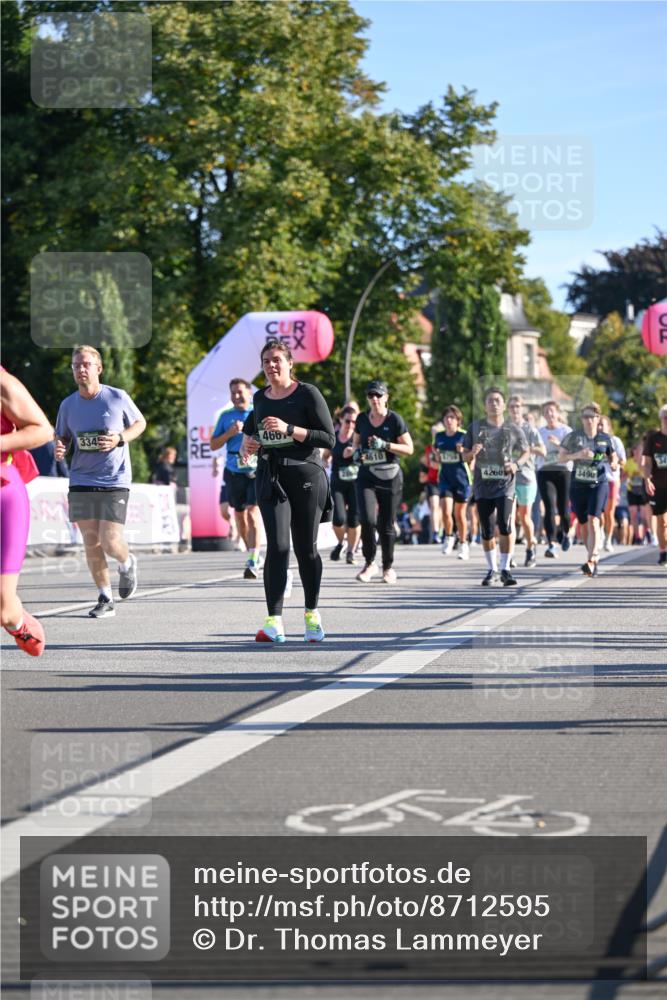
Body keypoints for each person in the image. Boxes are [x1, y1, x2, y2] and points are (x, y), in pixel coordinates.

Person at [240, 339, 335, 643]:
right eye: (266, 361)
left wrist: (289, 429)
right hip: (272, 476)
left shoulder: (308, 394)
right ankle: (274, 622)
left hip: (306, 474)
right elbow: (252, 430)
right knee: (278, 547)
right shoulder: (260, 398)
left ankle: (311, 614)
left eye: (277, 360)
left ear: (290, 363)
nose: (271, 366)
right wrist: (248, 445)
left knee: (305, 549)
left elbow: (328, 438)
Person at [54, 345, 146, 618]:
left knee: (110, 541)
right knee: (91, 541)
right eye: (76, 365)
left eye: (85, 364)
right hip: (81, 477)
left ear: (98, 368)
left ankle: (127, 561)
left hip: (114, 478)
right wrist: (60, 446)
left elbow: (140, 423)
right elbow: (63, 436)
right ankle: (105, 597)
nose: (80, 369)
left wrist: (120, 438)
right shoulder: (68, 404)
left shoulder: (117, 397)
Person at [1, 368, 53, 655]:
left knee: (5, 612)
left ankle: (17, 622)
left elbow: (42, 429)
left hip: (4, 493)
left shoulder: (2, 382)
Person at [463, 387, 529, 587]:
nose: (494, 404)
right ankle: (492, 569)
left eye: (497, 400)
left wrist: (516, 465)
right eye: (490, 400)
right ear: (485, 405)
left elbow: (526, 452)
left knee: (506, 525)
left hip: (505, 485)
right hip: (483, 486)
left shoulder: (513, 429)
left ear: (503, 405)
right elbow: (464, 457)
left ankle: (506, 569)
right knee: (487, 529)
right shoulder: (475, 428)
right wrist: (472, 453)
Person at [351, 380, 414, 584]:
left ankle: (388, 567)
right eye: (371, 396)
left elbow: (409, 449)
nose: (375, 399)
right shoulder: (361, 419)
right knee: (367, 520)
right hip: (367, 475)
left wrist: (386, 445)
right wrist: (355, 454)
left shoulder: (394, 419)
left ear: (386, 397)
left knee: (386, 524)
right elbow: (355, 445)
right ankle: (370, 563)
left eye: (378, 395)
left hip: (390, 476)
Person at [211, 378, 264, 579]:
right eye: (233, 392)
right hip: (234, 471)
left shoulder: (257, 412)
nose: (236, 396)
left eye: (240, 392)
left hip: (256, 470)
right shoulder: (225, 416)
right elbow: (213, 444)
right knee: (240, 516)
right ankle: (252, 552)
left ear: (249, 393)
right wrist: (230, 433)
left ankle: (253, 557)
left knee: (252, 513)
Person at [558, 403, 617, 577]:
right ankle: (592, 556)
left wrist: (613, 464)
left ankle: (591, 559)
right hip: (578, 485)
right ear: (581, 419)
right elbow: (560, 457)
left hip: (598, 484)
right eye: (585, 417)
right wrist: (577, 455)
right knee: (583, 524)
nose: (588, 420)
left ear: (598, 419)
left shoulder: (604, 438)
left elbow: (612, 457)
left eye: (592, 417)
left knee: (593, 520)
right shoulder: (573, 437)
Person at [508, 396, 546, 568]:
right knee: (508, 517)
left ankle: (531, 547)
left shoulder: (530, 430)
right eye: (512, 406)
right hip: (508, 477)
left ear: (522, 408)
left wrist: (527, 449)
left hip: (526, 476)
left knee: (524, 517)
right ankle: (509, 554)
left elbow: (543, 451)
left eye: (518, 406)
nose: (515, 409)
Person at [433, 405, 472, 560]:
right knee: (445, 511)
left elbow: (471, 457)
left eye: (452, 418)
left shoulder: (464, 436)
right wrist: (436, 456)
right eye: (446, 418)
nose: (449, 421)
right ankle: (449, 537)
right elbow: (437, 457)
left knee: (460, 514)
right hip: (445, 479)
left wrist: (463, 452)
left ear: (458, 421)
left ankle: (463, 544)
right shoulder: (439, 436)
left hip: (462, 479)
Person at [323, 406, 361, 565]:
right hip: (338, 483)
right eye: (348, 421)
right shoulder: (334, 438)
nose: (351, 424)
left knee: (354, 520)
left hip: (356, 484)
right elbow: (326, 456)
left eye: (354, 421)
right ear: (341, 420)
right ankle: (341, 542)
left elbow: (368, 455)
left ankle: (351, 551)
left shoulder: (359, 438)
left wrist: (355, 451)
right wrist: (326, 461)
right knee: (338, 519)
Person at [536, 401, 573, 557]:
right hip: (545, 471)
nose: (549, 414)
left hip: (563, 471)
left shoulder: (566, 431)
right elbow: (534, 449)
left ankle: (565, 533)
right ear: (543, 415)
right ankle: (551, 543)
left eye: (552, 411)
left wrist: (558, 445)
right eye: (546, 412)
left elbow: (573, 452)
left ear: (558, 413)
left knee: (563, 508)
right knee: (549, 507)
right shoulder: (539, 432)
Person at [642, 403, 667, 566]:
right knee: (662, 521)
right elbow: (648, 462)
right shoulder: (653, 438)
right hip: (658, 485)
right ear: (661, 418)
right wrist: (647, 479)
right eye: (665, 416)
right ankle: (663, 551)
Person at [599, 415, 626, 553]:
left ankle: (608, 539)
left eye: (602, 425)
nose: (600, 427)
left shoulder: (615, 441)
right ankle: (600, 534)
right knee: (598, 512)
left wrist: (613, 461)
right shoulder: (594, 441)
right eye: (598, 425)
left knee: (609, 513)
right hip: (597, 480)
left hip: (611, 480)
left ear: (608, 427)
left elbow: (623, 461)